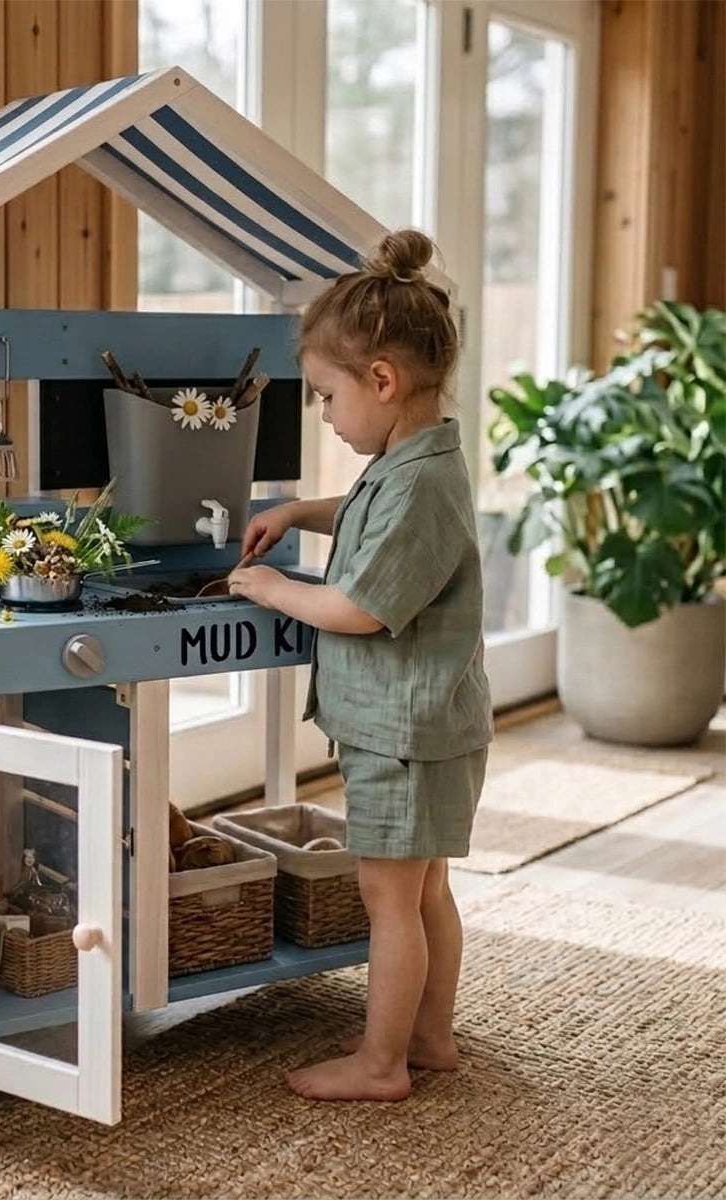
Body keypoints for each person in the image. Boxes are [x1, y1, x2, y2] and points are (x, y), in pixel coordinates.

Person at [228, 228, 493, 1102]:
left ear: (382, 380)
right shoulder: (418, 460)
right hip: (425, 724)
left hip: (404, 731)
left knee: (389, 898)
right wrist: (304, 509)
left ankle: (382, 1065)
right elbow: (372, 514)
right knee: (423, 893)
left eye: (326, 396)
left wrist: (271, 589)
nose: (328, 416)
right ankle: (427, 1036)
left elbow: (359, 607)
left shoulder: (416, 483)